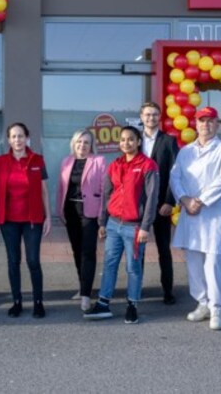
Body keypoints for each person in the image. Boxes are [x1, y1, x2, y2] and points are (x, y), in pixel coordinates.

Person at [170, 107, 221, 331]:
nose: (206, 125)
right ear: (195, 124)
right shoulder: (185, 151)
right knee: (193, 262)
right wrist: (183, 198)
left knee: (213, 263)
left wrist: (199, 201)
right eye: (202, 121)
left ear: (217, 124)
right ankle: (202, 303)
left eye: (210, 121)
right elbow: (175, 177)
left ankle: (217, 307)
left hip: (210, 214)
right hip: (189, 213)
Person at [83, 126, 158, 324]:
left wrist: (145, 227)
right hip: (113, 224)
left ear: (138, 141)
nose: (126, 143)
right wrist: (102, 222)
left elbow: (151, 198)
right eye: (123, 140)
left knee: (133, 268)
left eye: (131, 139)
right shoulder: (115, 164)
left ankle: (132, 304)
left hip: (134, 227)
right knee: (109, 265)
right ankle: (103, 303)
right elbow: (107, 195)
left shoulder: (148, 165)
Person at [0, 123, 52, 319]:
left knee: (33, 261)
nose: (17, 140)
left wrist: (48, 216)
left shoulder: (37, 160)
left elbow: (43, 191)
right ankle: (17, 301)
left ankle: (38, 302)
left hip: (33, 219)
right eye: (14, 136)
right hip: (8, 220)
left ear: (27, 138)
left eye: (21, 136)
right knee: (13, 261)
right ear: (8, 140)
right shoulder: (0, 162)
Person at [56, 129, 107, 312]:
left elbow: (104, 190)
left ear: (91, 145)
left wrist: (102, 218)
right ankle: (83, 286)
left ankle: (85, 295)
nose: (82, 146)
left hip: (90, 213)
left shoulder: (99, 162)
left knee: (88, 252)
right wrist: (59, 211)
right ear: (74, 143)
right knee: (77, 252)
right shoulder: (66, 161)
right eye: (79, 142)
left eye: (86, 142)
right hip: (71, 211)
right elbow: (61, 188)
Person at [140, 102, 179, 305]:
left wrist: (169, 201)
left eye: (155, 115)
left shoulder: (169, 141)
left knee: (164, 249)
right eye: (147, 115)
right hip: (139, 205)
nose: (151, 118)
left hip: (161, 205)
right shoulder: (135, 140)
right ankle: (136, 288)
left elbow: (175, 173)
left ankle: (168, 290)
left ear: (160, 117)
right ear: (141, 117)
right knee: (138, 249)